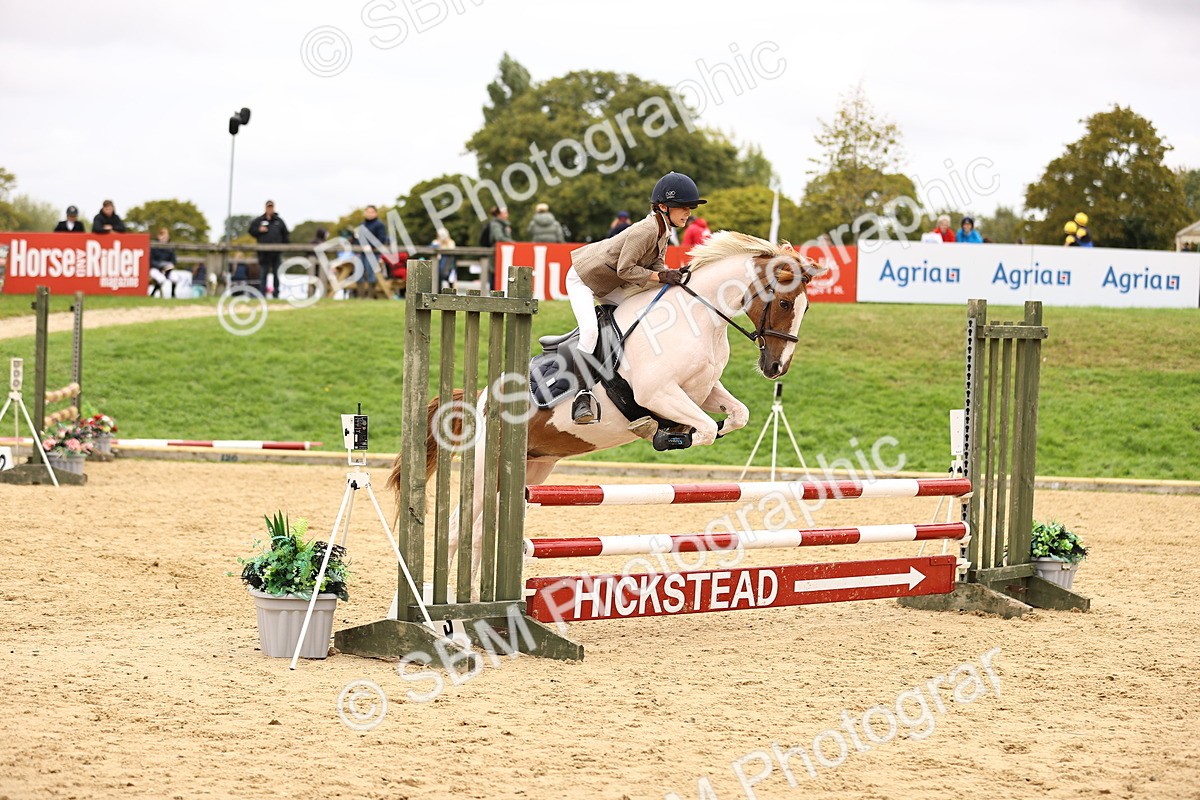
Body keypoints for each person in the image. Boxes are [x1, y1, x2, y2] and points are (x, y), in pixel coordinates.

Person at [565, 171, 703, 424]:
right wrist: (662, 278)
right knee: (590, 332)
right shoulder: (645, 230)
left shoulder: (664, 230)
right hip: (583, 280)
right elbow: (625, 270)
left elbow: (656, 264)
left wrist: (672, 274)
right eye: (683, 208)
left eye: (690, 208)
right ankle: (581, 396)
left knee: (642, 318)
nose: (688, 213)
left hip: (609, 281)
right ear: (663, 207)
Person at [248, 200, 289, 298]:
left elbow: (286, 235)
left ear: (274, 208)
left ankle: (276, 295)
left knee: (276, 274)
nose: (270, 209)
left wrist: (282, 247)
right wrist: (259, 230)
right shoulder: (259, 220)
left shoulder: (279, 221)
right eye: (268, 207)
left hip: (276, 253)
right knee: (263, 274)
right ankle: (262, 295)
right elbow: (251, 230)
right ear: (265, 208)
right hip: (264, 253)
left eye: (271, 207)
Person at [356, 205, 387, 297]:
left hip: (374, 254)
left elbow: (382, 239)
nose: (369, 214)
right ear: (365, 213)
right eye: (368, 212)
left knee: (371, 274)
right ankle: (360, 296)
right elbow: (358, 238)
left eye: (371, 212)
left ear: (376, 213)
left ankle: (370, 296)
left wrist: (371, 246)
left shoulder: (379, 224)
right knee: (359, 273)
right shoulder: (362, 225)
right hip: (362, 253)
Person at [148, 228, 177, 297]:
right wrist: (160, 266)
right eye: (163, 236)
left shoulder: (170, 247)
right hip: (155, 268)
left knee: (175, 278)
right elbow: (151, 261)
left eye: (166, 237)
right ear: (159, 236)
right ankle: (152, 295)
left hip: (167, 270)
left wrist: (169, 266)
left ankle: (173, 295)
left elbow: (173, 261)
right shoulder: (154, 246)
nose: (164, 238)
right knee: (161, 279)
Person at [432, 227, 457, 291]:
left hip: (448, 267)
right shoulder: (436, 243)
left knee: (451, 281)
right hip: (439, 268)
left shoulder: (450, 243)